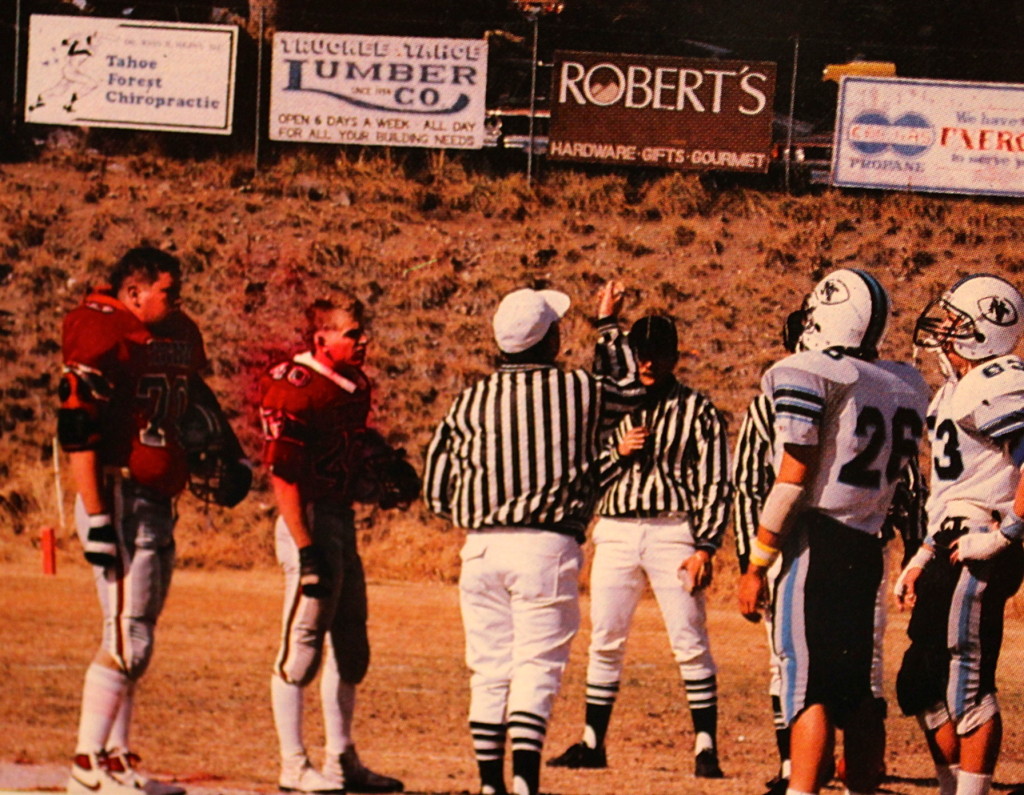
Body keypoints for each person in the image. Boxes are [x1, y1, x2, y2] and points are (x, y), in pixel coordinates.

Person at [422, 282, 641, 795]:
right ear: (548, 341)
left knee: (489, 669)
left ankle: (488, 785)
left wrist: (479, 511)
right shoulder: (579, 390)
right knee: (536, 667)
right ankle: (522, 783)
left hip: (481, 546)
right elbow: (631, 389)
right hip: (546, 545)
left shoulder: (470, 400)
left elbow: (436, 487)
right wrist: (608, 326)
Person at [59, 246, 248, 795]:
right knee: (128, 638)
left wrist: (230, 449)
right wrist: (95, 516)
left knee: (136, 635)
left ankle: (114, 761)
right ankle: (86, 762)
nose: (178, 297)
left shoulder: (175, 331)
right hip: (118, 495)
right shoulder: (100, 328)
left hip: (156, 498)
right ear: (134, 291)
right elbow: (76, 425)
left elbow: (193, 393)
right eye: (167, 289)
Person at [737, 268, 929, 795]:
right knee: (860, 690)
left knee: (808, 689)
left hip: (815, 544)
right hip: (868, 545)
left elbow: (792, 480)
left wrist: (755, 563)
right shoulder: (903, 381)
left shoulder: (805, 370)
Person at [546, 315, 732, 778]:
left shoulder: (698, 409)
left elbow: (714, 481)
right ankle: (593, 741)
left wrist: (706, 544)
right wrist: (617, 452)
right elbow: (586, 471)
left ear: (675, 355)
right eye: (641, 353)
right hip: (615, 527)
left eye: (658, 353)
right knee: (605, 637)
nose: (649, 362)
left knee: (689, 640)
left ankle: (705, 746)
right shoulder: (610, 408)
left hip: (672, 531)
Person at [259, 296, 408, 794]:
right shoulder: (295, 386)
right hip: (309, 520)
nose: (362, 341)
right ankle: (292, 763)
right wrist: (305, 547)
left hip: (340, 519)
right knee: (300, 649)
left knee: (351, 646)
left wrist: (377, 466)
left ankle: (341, 759)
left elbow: (351, 445)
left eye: (363, 333)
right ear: (321, 339)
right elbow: (283, 473)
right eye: (352, 333)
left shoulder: (354, 384)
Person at [894, 274, 1024, 795]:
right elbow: (949, 487)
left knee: (966, 683)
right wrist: (921, 556)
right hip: (948, 538)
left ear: (987, 329)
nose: (945, 330)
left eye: (958, 322)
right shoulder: (953, 389)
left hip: (982, 541)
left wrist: (1007, 534)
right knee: (920, 682)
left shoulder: (1002, 379)